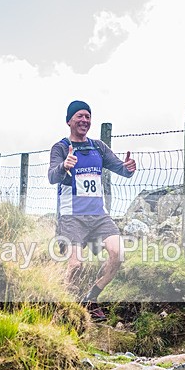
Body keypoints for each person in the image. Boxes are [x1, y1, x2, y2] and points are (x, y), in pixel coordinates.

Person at [48, 100, 136, 320]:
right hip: (71, 216)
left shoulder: (98, 147)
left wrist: (128, 169)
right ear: (69, 120)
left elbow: (121, 170)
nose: (84, 120)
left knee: (118, 254)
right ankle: (66, 306)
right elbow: (52, 176)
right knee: (76, 265)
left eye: (88, 116)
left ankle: (91, 298)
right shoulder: (60, 147)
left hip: (99, 215)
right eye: (80, 116)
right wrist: (64, 166)